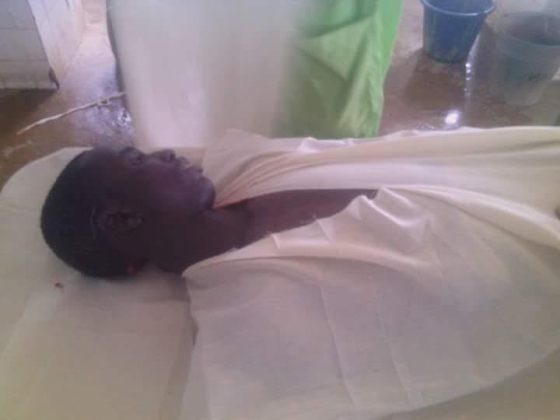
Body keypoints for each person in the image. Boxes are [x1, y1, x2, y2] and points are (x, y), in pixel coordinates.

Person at [41, 146, 377, 277]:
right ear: (120, 219)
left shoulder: (239, 165)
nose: (166, 152)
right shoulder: (248, 294)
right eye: (138, 160)